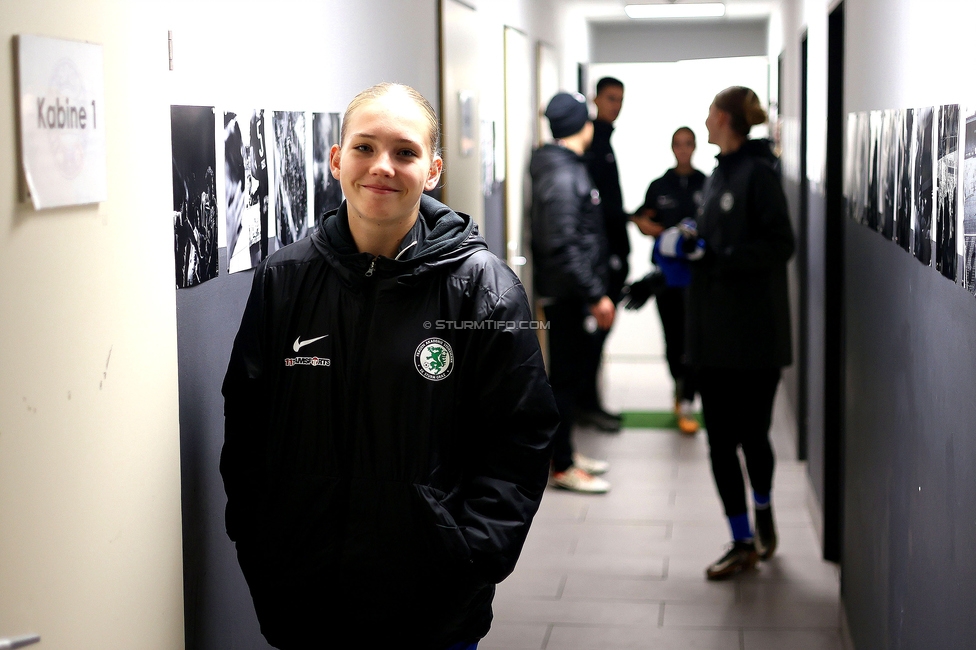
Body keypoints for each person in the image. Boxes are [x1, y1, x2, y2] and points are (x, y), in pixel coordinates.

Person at [220, 82, 559, 648]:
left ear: (432, 170)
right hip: (304, 597)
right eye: (364, 147)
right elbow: (248, 423)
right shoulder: (286, 279)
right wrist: (259, 537)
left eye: (405, 152)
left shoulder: (485, 290)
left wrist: (473, 554)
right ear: (336, 159)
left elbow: (521, 436)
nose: (382, 167)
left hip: (433, 607)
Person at [677, 86, 794, 580]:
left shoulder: (759, 174)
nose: (704, 122)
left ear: (724, 118)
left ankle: (763, 507)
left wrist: (720, 257)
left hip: (754, 336)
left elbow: (780, 244)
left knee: (753, 437)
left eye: (709, 114)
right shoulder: (717, 175)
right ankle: (742, 539)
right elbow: (716, 238)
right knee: (719, 442)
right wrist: (691, 243)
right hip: (711, 336)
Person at [530, 91, 615, 494]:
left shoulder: (563, 166)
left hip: (570, 292)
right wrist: (596, 293)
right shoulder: (563, 174)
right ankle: (561, 464)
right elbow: (562, 243)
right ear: (581, 124)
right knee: (564, 381)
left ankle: (563, 452)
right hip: (569, 295)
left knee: (568, 377)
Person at [631, 127, 707, 435]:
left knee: (694, 341)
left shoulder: (707, 184)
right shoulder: (659, 186)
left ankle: (688, 400)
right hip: (665, 277)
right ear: (672, 148)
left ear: (695, 147)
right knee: (673, 341)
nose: (684, 150)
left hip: (697, 278)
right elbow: (640, 219)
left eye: (689, 144)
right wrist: (663, 235)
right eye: (679, 144)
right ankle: (678, 388)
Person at [579, 76, 628, 432]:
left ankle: (590, 402)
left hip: (614, 250)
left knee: (600, 334)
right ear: (596, 99)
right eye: (610, 98)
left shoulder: (606, 139)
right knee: (593, 336)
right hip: (601, 256)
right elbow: (596, 209)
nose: (616, 105)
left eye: (620, 99)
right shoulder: (592, 141)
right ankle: (587, 405)